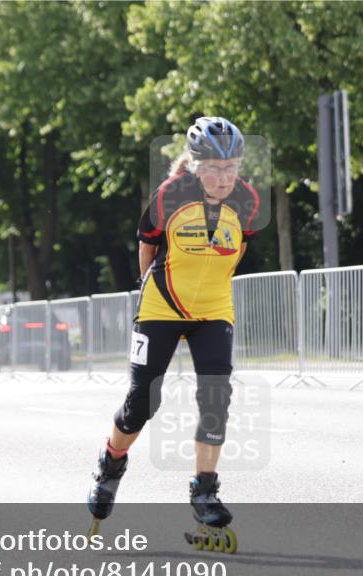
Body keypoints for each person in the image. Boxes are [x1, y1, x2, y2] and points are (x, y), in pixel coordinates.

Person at [87, 117, 260, 551]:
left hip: (213, 309)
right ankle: (111, 464)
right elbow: (147, 245)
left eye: (231, 168)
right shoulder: (170, 196)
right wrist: (158, 290)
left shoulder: (249, 202)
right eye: (214, 169)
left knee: (217, 396)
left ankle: (205, 489)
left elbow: (236, 249)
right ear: (195, 166)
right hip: (162, 305)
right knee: (143, 402)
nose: (223, 178)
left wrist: (209, 287)